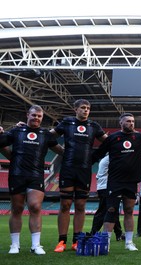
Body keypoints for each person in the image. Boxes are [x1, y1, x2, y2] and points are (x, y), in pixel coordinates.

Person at [92, 113, 141, 252]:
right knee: (111, 210)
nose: (131, 123)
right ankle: (106, 243)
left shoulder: (139, 137)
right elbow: (98, 154)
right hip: (115, 181)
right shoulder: (112, 138)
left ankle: (129, 242)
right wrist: (84, 162)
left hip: (131, 182)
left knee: (129, 211)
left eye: (133, 121)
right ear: (121, 123)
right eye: (128, 121)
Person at [0, 105, 64, 255]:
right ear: (27, 115)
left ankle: (36, 245)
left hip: (36, 175)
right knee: (17, 209)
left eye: (39, 116)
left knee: (35, 206)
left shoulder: (45, 134)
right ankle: (15, 245)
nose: (36, 118)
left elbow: (60, 150)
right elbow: (1, 144)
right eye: (34, 115)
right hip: (17, 174)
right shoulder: (16, 131)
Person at [53, 99, 107, 252]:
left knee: (80, 205)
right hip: (68, 169)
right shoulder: (67, 123)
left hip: (84, 170)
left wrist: (95, 157)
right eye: (83, 108)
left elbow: (108, 143)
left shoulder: (93, 126)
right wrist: (62, 152)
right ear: (75, 109)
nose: (86, 110)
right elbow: (49, 137)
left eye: (88, 108)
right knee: (65, 205)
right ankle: (61, 241)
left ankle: (77, 240)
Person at [89, 154, 125, 241]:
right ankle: (93, 233)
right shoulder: (111, 158)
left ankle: (119, 233)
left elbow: (97, 176)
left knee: (112, 211)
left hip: (103, 187)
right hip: (107, 187)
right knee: (104, 211)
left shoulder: (104, 159)